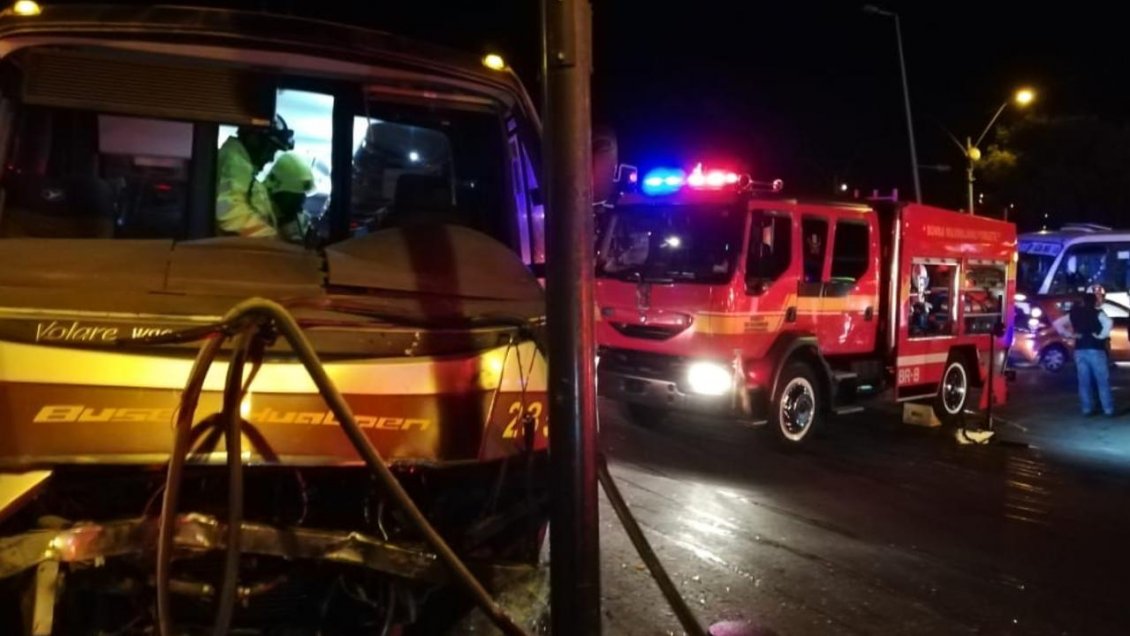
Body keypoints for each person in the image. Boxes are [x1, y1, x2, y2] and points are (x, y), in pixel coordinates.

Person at [215, 115, 295, 238]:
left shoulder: (242, 166)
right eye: (270, 150)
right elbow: (229, 213)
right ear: (254, 140)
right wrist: (272, 239)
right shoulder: (234, 162)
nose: (271, 158)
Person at [1054, 291, 1114, 417]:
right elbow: (1109, 323)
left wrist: (1070, 335)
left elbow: (1057, 323)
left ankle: (1087, 409)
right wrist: (1101, 336)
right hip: (1096, 348)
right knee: (1102, 381)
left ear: (1083, 301)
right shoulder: (1098, 312)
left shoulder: (1074, 313)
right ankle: (1108, 409)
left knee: (1084, 381)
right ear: (1094, 302)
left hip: (1080, 349)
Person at [263, 151, 315, 243]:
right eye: (294, 197)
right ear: (277, 192)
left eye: (302, 196)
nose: (299, 204)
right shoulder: (256, 214)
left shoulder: (301, 221)